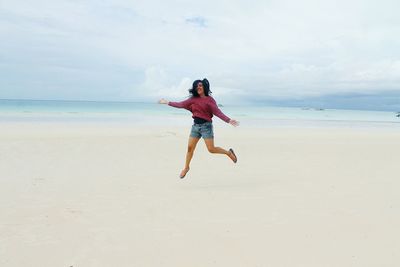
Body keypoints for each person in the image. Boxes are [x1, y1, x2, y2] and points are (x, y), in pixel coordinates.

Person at [158, 78, 239, 178]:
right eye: (196, 86)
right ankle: (186, 168)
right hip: (195, 127)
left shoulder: (210, 100)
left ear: (204, 86)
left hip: (206, 127)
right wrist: (167, 102)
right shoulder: (192, 99)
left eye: (200, 85)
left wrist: (228, 120)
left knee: (211, 149)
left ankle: (228, 153)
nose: (198, 87)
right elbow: (181, 104)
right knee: (189, 149)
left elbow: (217, 112)